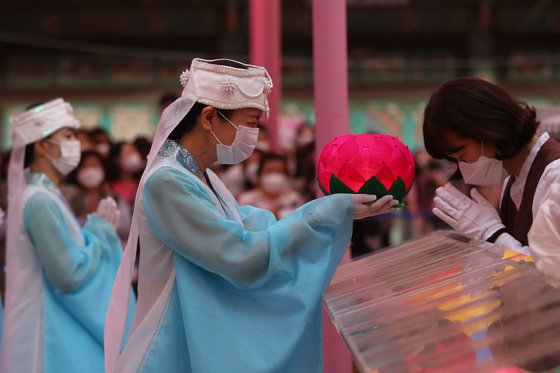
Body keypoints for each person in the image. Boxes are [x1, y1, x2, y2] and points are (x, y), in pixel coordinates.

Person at [104, 58, 398, 373]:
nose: (254, 133)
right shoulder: (168, 181)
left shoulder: (198, 176)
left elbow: (253, 226)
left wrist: (336, 210)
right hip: (174, 343)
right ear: (209, 118)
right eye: (251, 121)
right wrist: (322, 214)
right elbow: (241, 255)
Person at [0, 98, 133, 373]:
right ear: (41, 145)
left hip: (53, 319)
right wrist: (100, 233)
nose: (77, 144)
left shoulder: (47, 195)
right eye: (68, 135)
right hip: (48, 326)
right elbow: (67, 274)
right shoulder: (39, 200)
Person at [422, 77, 560, 254]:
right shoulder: (513, 179)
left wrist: (492, 233)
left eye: (462, 155)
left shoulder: (555, 175)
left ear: (488, 129)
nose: (463, 168)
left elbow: (552, 271)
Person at [238, 152, 304, 219]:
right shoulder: (247, 200)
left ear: (286, 175)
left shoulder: (294, 199)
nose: (274, 176)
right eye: (269, 171)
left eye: (279, 171)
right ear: (259, 175)